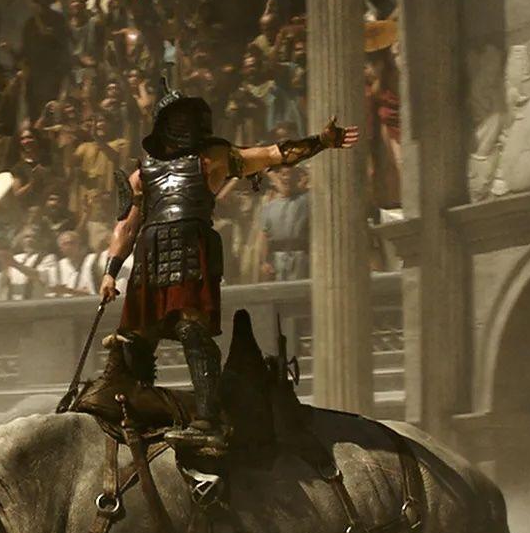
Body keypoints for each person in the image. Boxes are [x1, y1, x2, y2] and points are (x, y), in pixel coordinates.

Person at [97, 86, 357, 464]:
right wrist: (110, 272)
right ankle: (135, 410)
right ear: (165, 123)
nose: (183, 124)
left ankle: (208, 420)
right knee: (137, 340)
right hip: (149, 256)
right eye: (177, 117)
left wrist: (320, 141)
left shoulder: (214, 157)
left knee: (192, 331)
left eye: (189, 117)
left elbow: (273, 155)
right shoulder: (143, 174)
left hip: (189, 248)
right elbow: (126, 225)